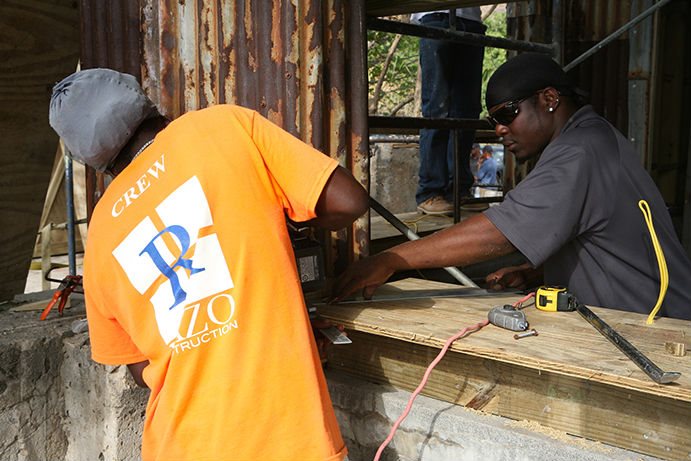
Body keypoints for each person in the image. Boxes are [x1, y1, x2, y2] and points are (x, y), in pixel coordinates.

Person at [48, 68, 369, 460]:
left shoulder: (100, 232)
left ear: (89, 158)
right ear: (144, 101)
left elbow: (141, 370)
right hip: (287, 443)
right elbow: (348, 201)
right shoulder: (223, 126)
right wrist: (275, 224)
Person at [332, 53, 691, 321]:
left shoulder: (578, 152)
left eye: (507, 114)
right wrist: (537, 272)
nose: (499, 130)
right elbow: (605, 234)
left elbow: (500, 231)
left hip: (662, 327)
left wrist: (391, 260)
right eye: (493, 120)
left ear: (549, 99)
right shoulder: (593, 137)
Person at [413, 8, 486, 215]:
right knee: (437, 107)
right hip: (436, 14)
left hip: (471, 19)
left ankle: (459, 189)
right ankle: (430, 191)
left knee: (467, 110)